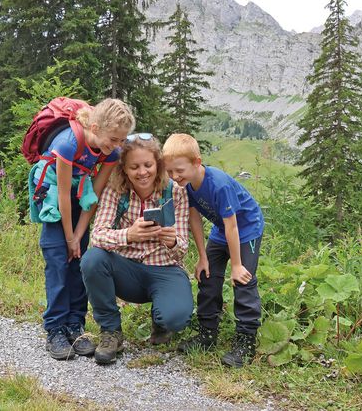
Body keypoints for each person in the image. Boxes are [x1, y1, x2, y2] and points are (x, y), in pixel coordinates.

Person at [32, 98, 135, 360]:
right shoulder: (67, 143)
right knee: (57, 261)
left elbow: (95, 195)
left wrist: (78, 235)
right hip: (56, 200)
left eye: (122, 140)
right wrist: (68, 236)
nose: (117, 146)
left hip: (81, 198)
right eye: (114, 138)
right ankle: (55, 329)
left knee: (78, 261)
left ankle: (75, 326)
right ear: (96, 126)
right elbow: (63, 196)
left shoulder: (110, 152)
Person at [80, 133, 193, 365]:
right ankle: (111, 331)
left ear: (158, 165)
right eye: (134, 167)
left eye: (148, 165)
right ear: (125, 169)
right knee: (92, 260)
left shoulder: (176, 192)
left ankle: (161, 321)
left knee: (176, 318)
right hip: (127, 270)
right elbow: (98, 236)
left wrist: (171, 240)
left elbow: (182, 249)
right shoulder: (116, 191)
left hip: (165, 268)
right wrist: (129, 235)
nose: (142, 172)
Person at [162, 133, 264, 368]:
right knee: (207, 276)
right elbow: (194, 218)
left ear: (197, 162)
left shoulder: (218, 184)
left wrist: (237, 265)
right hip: (221, 229)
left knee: (244, 280)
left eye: (179, 170)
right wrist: (202, 257)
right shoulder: (186, 186)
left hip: (246, 228)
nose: (175, 177)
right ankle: (207, 334)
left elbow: (233, 225)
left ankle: (246, 341)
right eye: (170, 172)